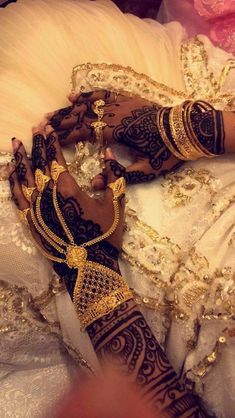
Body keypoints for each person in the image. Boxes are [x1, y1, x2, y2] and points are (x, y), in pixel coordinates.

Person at [0, 0, 234, 417]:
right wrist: (196, 128)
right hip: (213, 149)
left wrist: (89, 272)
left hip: (141, 309)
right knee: (48, 47)